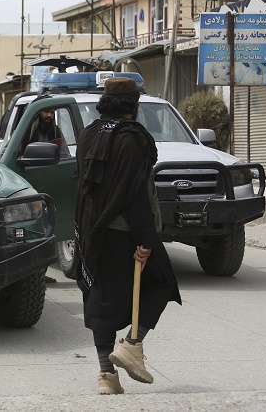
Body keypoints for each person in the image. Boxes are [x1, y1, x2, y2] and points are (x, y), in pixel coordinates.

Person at [74, 77, 181, 395]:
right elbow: (135, 195)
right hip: (126, 230)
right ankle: (132, 344)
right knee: (162, 282)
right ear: (134, 105)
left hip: (92, 229)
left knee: (101, 298)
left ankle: (106, 376)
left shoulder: (88, 134)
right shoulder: (134, 138)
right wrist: (145, 241)